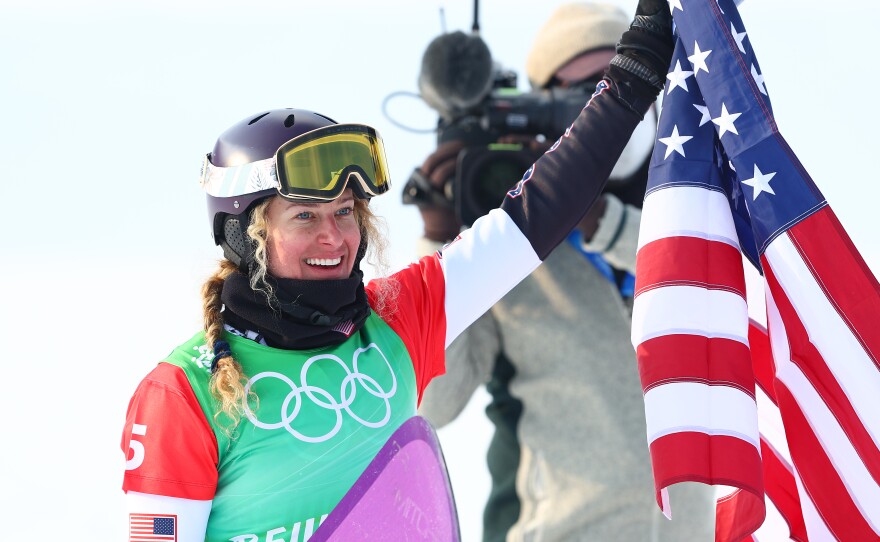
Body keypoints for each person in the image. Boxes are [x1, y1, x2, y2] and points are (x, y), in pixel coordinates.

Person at [119, 1, 674, 539]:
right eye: (305, 215)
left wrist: (630, 80)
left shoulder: (399, 320)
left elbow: (535, 216)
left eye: (345, 213)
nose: (333, 237)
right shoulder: (183, 392)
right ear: (243, 232)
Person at [411, 3, 716, 541]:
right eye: (577, 95)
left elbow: (717, 288)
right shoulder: (506, 254)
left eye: (617, 84)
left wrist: (603, 222)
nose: (606, 107)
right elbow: (434, 403)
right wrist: (439, 240)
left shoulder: (700, 217)